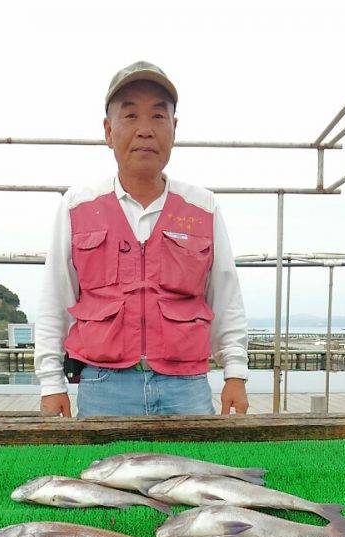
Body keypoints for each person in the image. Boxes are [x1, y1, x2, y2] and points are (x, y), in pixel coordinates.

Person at [35, 61, 249, 418]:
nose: (145, 131)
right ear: (108, 131)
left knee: (195, 474)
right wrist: (50, 383)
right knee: (102, 476)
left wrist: (235, 374)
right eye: (130, 116)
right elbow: (55, 299)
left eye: (158, 117)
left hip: (187, 386)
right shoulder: (76, 206)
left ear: (174, 129)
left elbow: (226, 297)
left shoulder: (203, 207)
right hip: (103, 386)